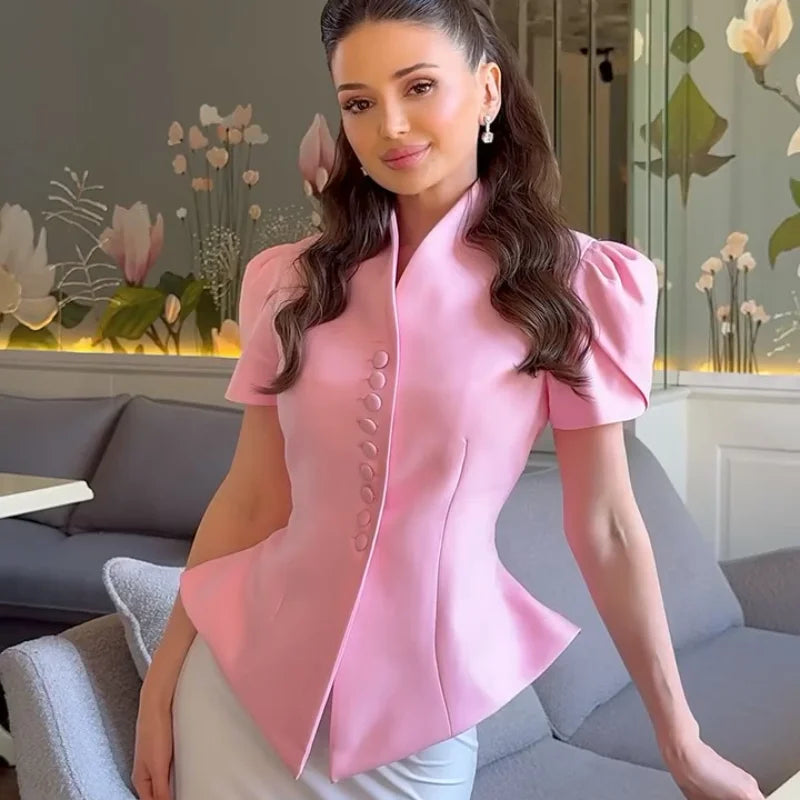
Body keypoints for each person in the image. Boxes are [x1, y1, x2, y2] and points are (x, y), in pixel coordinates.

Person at [132, 1, 767, 799]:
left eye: (420, 85)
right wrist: (163, 681)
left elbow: (604, 525)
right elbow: (254, 498)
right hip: (236, 691)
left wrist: (681, 741)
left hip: (415, 723)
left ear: (489, 91)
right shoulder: (290, 282)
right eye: (359, 102)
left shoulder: (577, 286)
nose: (389, 125)